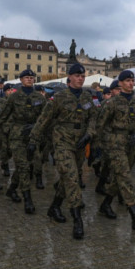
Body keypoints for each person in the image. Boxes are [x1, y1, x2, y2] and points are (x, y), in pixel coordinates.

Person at [28, 63, 98, 239]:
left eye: (83, 76)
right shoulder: (59, 98)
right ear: (70, 77)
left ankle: (54, 207)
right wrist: (33, 140)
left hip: (80, 144)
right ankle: (77, 220)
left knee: (67, 178)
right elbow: (44, 119)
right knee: (73, 178)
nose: (81, 78)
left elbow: (93, 119)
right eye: (77, 75)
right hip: (62, 142)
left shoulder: (87, 97)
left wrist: (89, 134)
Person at [94, 70, 135, 233]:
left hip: (131, 144)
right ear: (121, 83)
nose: (131, 83)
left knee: (119, 178)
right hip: (115, 144)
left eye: (132, 80)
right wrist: (104, 145)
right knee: (125, 177)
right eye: (127, 81)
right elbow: (100, 125)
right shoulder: (113, 103)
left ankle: (105, 204)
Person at [0, 69, 47, 214]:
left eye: (32, 77)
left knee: (27, 164)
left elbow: (45, 117)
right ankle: (28, 199)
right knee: (23, 166)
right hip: (17, 134)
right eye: (27, 77)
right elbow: (3, 115)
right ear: (21, 80)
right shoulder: (14, 97)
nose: (30, 79)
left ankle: (11, 189)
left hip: (33, 135)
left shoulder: (40, 97)